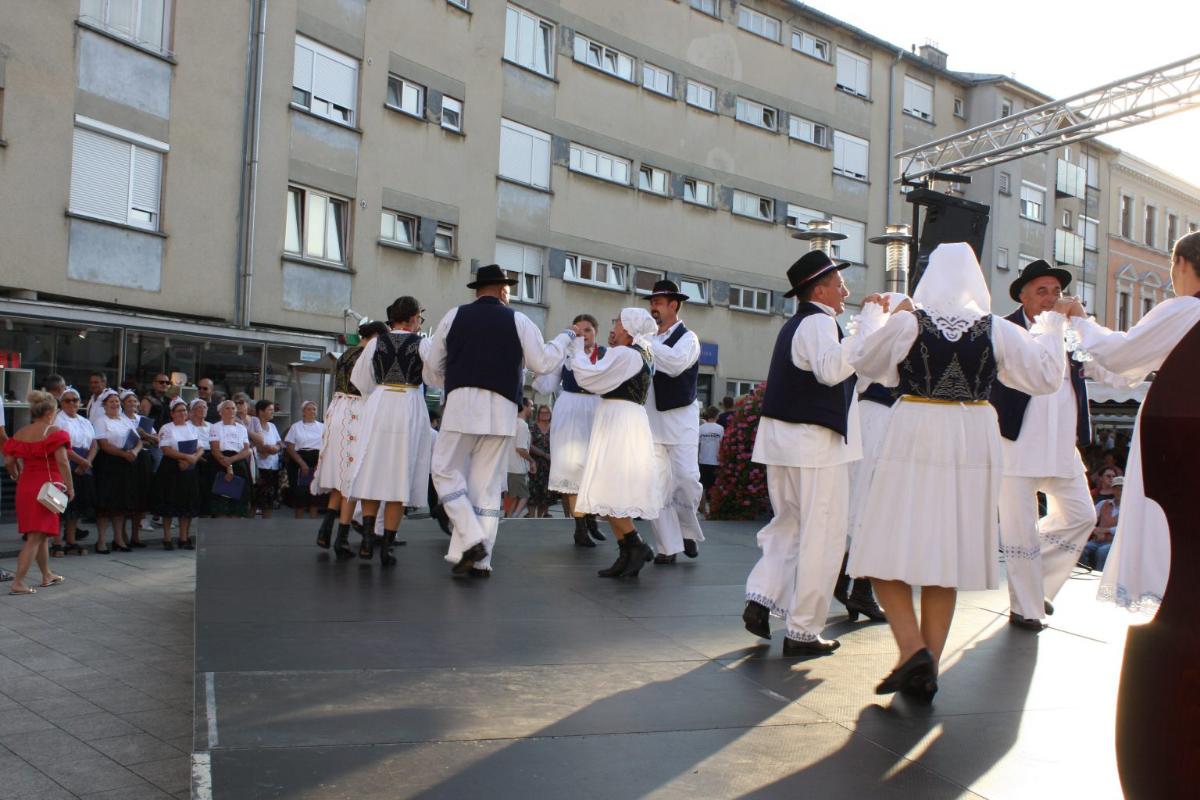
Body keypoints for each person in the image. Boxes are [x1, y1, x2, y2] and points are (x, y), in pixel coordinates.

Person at [847, 242, 1067, 700]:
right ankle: (927, 668)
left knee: (881, 545)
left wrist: (880, 319)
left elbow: (866, 364)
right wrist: (1052, 326)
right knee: (945, 557)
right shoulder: (997, 329)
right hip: (972, 432)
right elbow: (1046, 378)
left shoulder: (910, 322)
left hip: (915, 428)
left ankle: (913, 651)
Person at [741, 251, 887, 656]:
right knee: (822, 536)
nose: (846, 292)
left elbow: (839, 375)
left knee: (788, 526)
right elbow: (829, 370)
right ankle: (803, 630)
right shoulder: (820, 322)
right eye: (840, 284)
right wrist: (867, 328)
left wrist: (864, 338)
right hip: (815, 445)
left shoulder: (797, 324)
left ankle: (761, 596)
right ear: (819, 290)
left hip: (784, 441)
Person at [990, 260, 1134, 631]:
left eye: (1056, 291)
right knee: (1020, 530)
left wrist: (1084, 323)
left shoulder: (1071, 334)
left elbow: (1109, 370)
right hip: (1015, 445)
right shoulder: (1005, 330)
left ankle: (1035, 587)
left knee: (1081, 516)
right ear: (1022, 296)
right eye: (1042, 291)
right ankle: (1026, 608)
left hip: (1062, 447)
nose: (1051, 298)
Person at [1061, 230, 1200, 613]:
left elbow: (1122, 356)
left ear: (1180, 263)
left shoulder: (1184, 309)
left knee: (1164, 517)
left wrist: (1081, 322)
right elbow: (1126, 372)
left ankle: (1172, 600)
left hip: (1176, 428)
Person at [423, 264, 581, 576]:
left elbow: (432, 366)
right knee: (486, 485)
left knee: (443, 470)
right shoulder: (518, 320)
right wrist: (565, 338)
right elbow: (542, 362)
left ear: (478, 290)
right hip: (501, 409)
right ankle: (480, 559)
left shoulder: (453, 316)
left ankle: (471, 538)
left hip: (461, 405)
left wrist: (454, 381)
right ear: (502, 290)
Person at [572, 308, 662, 578]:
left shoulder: (626, 354)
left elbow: (590, 377)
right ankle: (627, 550)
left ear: (629, 327)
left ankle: (636, 544)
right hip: (627, 418)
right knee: (610, 488)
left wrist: (576, 348)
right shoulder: (643, 352)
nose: (615, 327)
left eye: (619, 323)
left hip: (618, 419)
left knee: (608, 485)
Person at [344, 298, 431, 564]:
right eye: (419, 318)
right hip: (408, 405)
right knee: (400, 474)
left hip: (380, 405)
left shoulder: (375, 343)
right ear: (413, 318)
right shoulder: (422, 343)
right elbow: (435, 377)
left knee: (373, 469)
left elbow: (360, 379)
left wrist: (380, 392)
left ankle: (367, 541)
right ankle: (387, 546)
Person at [644, 279, 705, 564]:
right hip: (650, 422)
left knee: (687, 480)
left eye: (658, 302)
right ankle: (667, 547)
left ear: (674, 305)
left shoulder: (688, 338)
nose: (653, 307)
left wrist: (643, 343)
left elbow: (674, 364)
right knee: (657, 488)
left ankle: (686, 530)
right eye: (651, 302)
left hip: (681, 422)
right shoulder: (646, 339)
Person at [532, 313, 607, 545]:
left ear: (596, 332)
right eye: (578, 331)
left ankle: (591, 517)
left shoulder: (605, 354)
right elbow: (547, 386)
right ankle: (580, 526)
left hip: (596, 409)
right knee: (572, 469)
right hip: (570, 409)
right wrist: (538, 367)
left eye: (588, 330)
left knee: (594, 468)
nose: (583, 335)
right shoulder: (566, 354)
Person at [314, 320, 388, 549]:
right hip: (357, 413)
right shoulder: (369, 355)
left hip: (337, 410)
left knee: (339, 476)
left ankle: (326, 530)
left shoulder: (346, 354)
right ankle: (342, 538)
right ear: (375, 336)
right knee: (353, 477)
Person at [2, 390, 71, 595]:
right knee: (35, 537)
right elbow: (63, 461)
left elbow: (8, 461)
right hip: (47, 487)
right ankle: (18, 582)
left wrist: (15, 475)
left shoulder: (21, 433)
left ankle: (46, 574)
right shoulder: (54, 431)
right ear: (50, 412)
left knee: (40, 534)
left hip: (26, 486)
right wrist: (70, 486)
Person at [92, 388, 142, 552]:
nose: (115, 404)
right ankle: (101, 541)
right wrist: (123, 454)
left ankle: (119, 539)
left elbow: (139, 441)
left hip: (126, 464)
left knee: (120, 504)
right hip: (108, 464)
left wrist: (134, 452)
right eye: (111, 401)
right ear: (105, 405)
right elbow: (104, 445)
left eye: (116, 401)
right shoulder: (101, 421)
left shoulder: (125, 420)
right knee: (105, 505)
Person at [153, 398, 203, 549]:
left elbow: (200, 447)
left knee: (186, 504)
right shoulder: (166, 428)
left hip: (189, 468)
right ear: (172, 413)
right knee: (169, 503)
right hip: (171, 468)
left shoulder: (192, 427)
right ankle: (167, 538)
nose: (182, 413)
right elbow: (166, 449)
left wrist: (193, 458)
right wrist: (185, 457)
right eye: (179, 411)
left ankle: (183, 537)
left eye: (184, 410)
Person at [54, 387, 97, 556]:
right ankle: (57, 542)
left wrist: (87, 462)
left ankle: (71, 541)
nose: (72, 403)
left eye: (75, 400)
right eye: (67, 400)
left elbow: (94, 444)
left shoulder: (85, 421)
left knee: (76, 505)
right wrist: (81, 461)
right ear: (61, 403)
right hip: (66, 462)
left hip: (84, 464)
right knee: (61, 504)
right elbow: (61, 445)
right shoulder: (58, 420)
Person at [122, 389, 156, 544]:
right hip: (127, 458)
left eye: (135, 401)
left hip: (143, 459)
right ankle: (122, 534)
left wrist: (145, 435)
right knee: (126, 497)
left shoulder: (143, 420)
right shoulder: (120, 419)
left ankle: (135, 535)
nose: (133, 404)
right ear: (123, 404)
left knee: (140, 498)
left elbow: (156, 439)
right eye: (129, 401)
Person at [209, 400, 253, 518]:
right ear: (221, 412)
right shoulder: (215, 427)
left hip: (238, 462)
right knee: (221, 503)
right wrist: (228, 466)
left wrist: (232, 460)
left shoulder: (242, 428)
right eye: (227, 408)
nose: (231, 411)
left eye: (233, 408)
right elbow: (215, 449)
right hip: (220, 463)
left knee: (238, 504)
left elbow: (246, 449)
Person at [283, 401, 327, 519]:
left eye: (314, 409)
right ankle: (298, 523)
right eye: (309, 409)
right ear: (303, 412)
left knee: (315, 496)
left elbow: (327, 446)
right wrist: (302, 463)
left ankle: (312, 523)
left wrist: (320, 463)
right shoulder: (295, 427)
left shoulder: (323, 427)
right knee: (300, 496)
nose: (312, 412)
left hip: (317, 459)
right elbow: (290, 447)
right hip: (299, 460)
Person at [250, 400, 283, 520]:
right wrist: (263, 449)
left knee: (269, 501)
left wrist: (275, 449)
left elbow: (280, 443)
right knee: (254, 500)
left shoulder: (272, 426)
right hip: (258, 468)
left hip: (272, 467)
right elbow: (249, 443)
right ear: (261, 411)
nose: (272, 412)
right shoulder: (253, 426)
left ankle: (266, 526)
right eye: (269, 410)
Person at [1084, 477, 1122, 571]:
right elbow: (1089, 521)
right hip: (1098, 540)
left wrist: (1105, 530)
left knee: (1102, 552)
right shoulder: (1103, 503)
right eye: (1116, 488)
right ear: (1112, 490)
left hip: (1115, 542)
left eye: (1121, 489)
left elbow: (1125, 529)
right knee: (1081, 549)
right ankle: (1085, 571)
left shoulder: (1130, 508)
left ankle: (1099, 576)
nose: (1119, 491)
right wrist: (1096, 531)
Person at [504, 399, 534, 520]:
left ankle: (509, 518)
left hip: (509, 467)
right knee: (524, 496)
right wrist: (532, 461)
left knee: (513, 497)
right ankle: (513, 518)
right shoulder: (522, 425)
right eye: (531, 406)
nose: (532, 409)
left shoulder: (510, 422)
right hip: (517, 468)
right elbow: (520, 448)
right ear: (524, 407)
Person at [189, 399, 215, 520]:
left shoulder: (212, 426)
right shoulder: (188, 425)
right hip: (195, 456)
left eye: (204, 407)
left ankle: (207, 511)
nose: (202, 409)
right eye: (199, 407)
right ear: (193, 411)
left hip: (211, 456)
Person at [697, 406, 723, 517]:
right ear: (716, 416)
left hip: (703, 459)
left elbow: (697, 445)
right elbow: (722, 445)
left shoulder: (701, 428)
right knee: (714, 486)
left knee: (702, 485)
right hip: (715, 460)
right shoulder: (720, 428)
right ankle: (712, 509)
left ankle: (702, 508)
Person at [527, 404, 553, 517]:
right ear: (538, 414)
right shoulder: (532, 427)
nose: (544, 415)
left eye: (546, 413)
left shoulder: (554, 428)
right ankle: (531, 516)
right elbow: (528, 445)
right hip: (534, 464)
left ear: (550, 414)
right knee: (532, 491)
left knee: (545, 493)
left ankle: (540, 517)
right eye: (542, 412)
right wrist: (544, 454)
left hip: (549, 466)